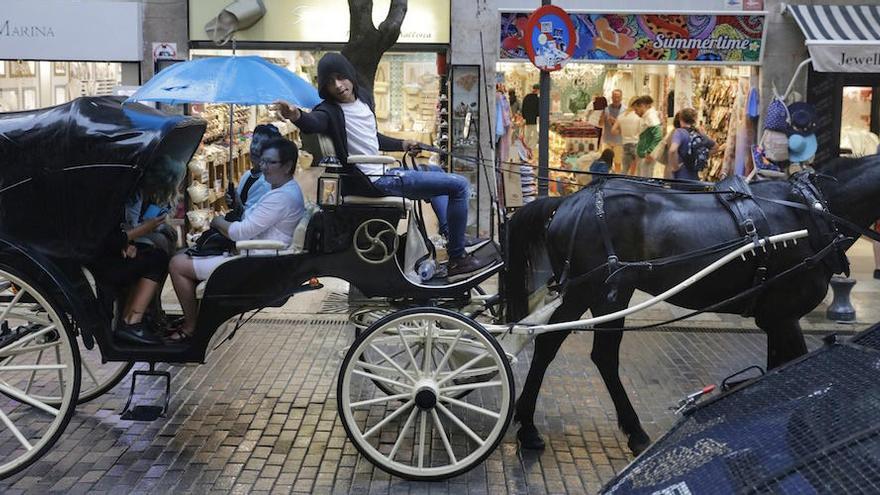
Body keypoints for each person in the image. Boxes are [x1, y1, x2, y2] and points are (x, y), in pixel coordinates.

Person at [275, 52, 492, 281]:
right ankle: (458, 258)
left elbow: (371, 137)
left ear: (349, 75)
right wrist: (296, 115)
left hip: (384, 173)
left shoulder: (364, 100)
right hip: (373, 181)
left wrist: (402, 143)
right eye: (330, 82)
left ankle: (451, 237)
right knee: (459, 185)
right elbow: (313, 122)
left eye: (340, 77)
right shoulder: (328, 111)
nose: (338, 86)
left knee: (437, 172)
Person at [166, 137, 305, 342]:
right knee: (184, 256)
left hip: (254, 261)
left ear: (287, 166)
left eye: (270, 162)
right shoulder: (282, 190)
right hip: (254, 255)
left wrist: (217, 222)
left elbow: (240, 232)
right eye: (262, 161)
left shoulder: (281, 197)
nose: (264, 167)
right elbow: (251, 219)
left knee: (177, 264)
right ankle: (197, 319)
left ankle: (191, 327)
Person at [87, 156, 185, 345]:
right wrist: (142, 231)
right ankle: (132, 321)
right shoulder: (123, 196)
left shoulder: (118, 193)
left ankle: (137, 315)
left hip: (108, 254)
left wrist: (127, 244)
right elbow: (109, 237)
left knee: (156, 252)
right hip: (102, 262)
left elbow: (115, 233)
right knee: (157, 259)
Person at [225, 124, 282, 219]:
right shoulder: (248, 175)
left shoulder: (266, 184)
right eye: (255, 141)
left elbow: (250, 223)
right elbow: (241, 206)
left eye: (264, 145)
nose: (256, 147)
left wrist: (217, 222)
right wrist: (233, 201)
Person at [666, 108, 718, 180]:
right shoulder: (698, 132)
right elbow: (715, 147)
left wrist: (675, 167)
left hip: (681, 176)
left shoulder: (679, 132)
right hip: (695, 177)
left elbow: (672, 150)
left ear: (680, 118)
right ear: (694, 119)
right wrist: (701, 156)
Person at [634, 96, 663, 177]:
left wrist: (650, 152)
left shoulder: (651, 117)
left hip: (646, 155)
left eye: (636, 110)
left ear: (642, 106)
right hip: (643, 154)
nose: (635, 112)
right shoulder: (647, 116)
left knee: (645, 180)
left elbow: (658, 136)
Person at [612, 96, 642, 175]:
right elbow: (642, 131)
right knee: (635, 170)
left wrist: (621, 131)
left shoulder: (621, 116)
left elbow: (613, 130)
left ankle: (622, 184)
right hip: (636, 143)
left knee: (625, 168)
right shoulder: (639, 116)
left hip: (625, 143)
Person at [599, 89, 625, 173]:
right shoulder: (606, 109)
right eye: (614, 97)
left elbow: (625, 127)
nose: (616, 99)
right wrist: (602, 117)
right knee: (605, 162)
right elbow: (600, 124)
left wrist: (615, 121)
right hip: (607, 140)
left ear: (621, 97)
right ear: (612, 97)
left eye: (618, 97)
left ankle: (617, 179)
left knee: (618, 163)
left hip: (619, 141)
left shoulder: (625, 110)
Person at [521, 84, 540, 151]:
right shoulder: (537, 99)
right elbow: (538, 110)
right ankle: (531, 149)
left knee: (527, 135)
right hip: (533, 119)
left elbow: (523, 108)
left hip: (527, 119)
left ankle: (525, 149)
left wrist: (524, 117)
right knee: (535, 135)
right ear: (537, 90)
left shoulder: (526, 97)